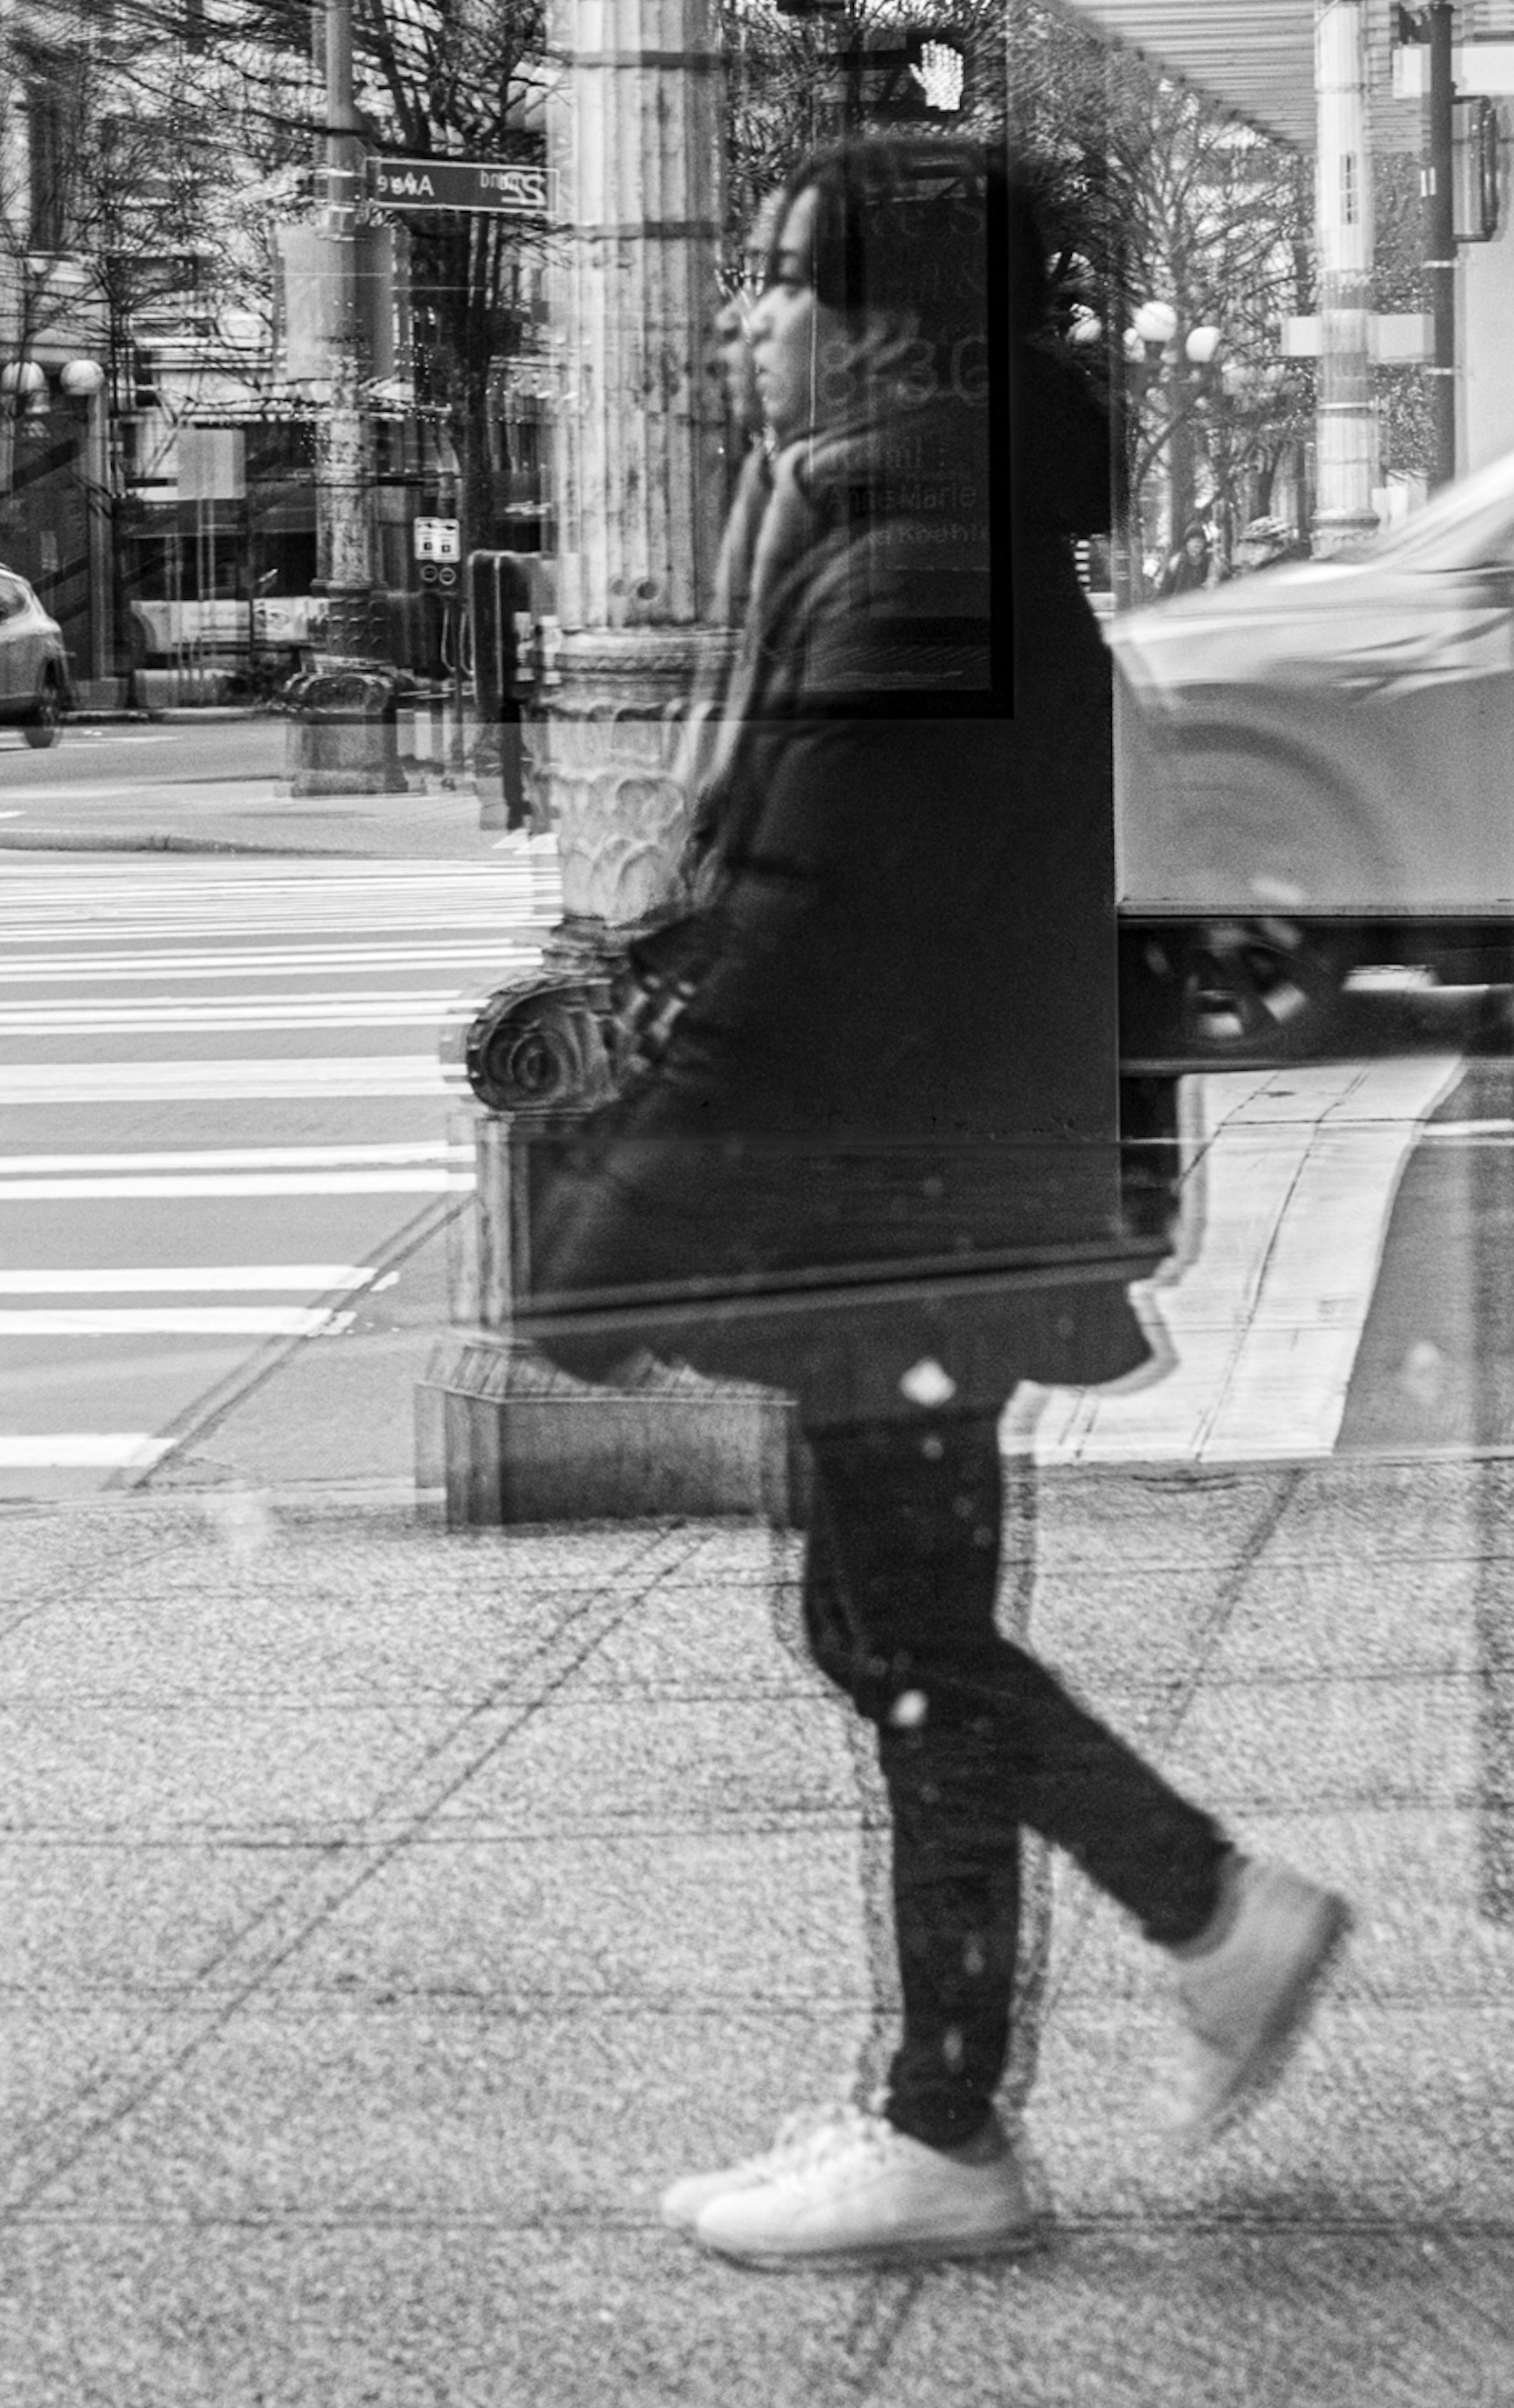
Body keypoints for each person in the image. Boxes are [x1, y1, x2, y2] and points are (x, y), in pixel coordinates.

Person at [520, 125, 1349, 2268]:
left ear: (895, 327)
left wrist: (611, 1239)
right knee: (897, 1622)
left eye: (790, 280)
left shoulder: (918, 563)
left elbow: (813, 929)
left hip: (911, 1200)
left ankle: (1025, 2061)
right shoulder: (908, 530)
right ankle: (1026, 2044)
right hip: (928, 1188)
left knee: (899, 1628)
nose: (744, 317)